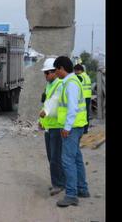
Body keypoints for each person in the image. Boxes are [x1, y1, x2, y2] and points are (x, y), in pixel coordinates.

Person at [53, 56, 90, 207]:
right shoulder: (70, 82)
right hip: (77, 126)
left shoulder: (71, 84)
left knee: (67, 160)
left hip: (72, 128)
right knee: (76, 158)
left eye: (56, 70)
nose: (56, 73)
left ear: (62, 68)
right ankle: (82, 189)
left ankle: (71, 194)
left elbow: (72, 108)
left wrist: (67, 127)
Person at [37, 57, 65, 196]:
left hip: (57, 127)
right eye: (45, 73)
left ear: (54, 72)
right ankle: (59, 181)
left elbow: (54, 103)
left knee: (55, 158)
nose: (46, 75)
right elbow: (46, 104)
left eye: (48, 73)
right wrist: (41, 121)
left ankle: (58, 184)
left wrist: (45, 113)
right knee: (51, 157)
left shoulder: (59, 84)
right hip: (49, 127)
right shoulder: (49, 85)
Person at [74, 64, 93, 134]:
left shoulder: (79, 76)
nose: (75, 72)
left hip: (82, 97)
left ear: (79, 70)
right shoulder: (87, 76)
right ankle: (86, 129)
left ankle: (82, 129)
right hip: (88, 96)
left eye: (75, 71)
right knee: (86, 113)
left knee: (81, 113)